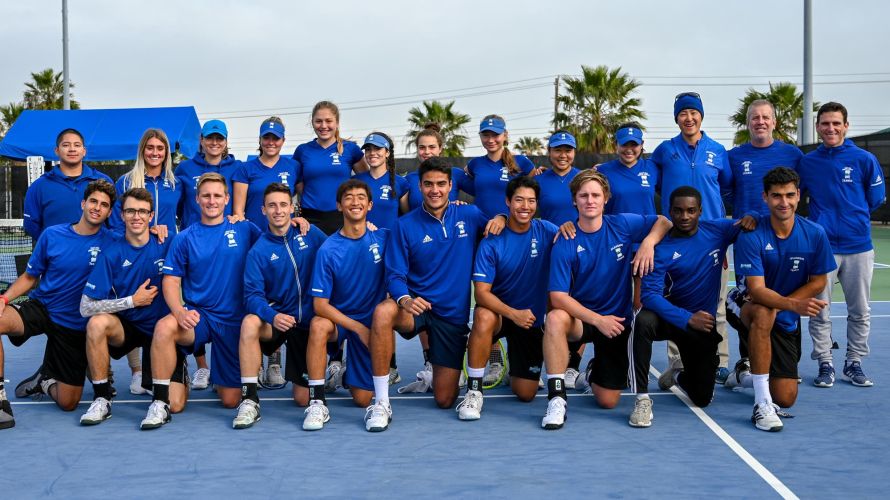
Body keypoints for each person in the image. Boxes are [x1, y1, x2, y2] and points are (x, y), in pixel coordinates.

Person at [364, 157, 505, 432]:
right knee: (383, 312)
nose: (435, 190)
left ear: (451, 186)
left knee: (444, 399)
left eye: (441, 184)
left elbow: (498, 227)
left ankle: (445, 369)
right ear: (420, 187)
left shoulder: (470, 215)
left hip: (450, 317)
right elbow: (394, 275)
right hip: (413, 308)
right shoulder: (404, 226)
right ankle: (381, 401)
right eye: (428, 184)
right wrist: (405, 299)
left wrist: (502, 216)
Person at [542, 170, 671, 430]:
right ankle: (556, 398)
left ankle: (592, 372)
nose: (590, 200)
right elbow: (557, 297)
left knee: (608, 401)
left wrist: (647, 242)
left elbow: (664, 221)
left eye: (595, 195)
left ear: (606, 199)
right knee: (555, 318)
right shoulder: (566, 240)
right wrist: (597, 320)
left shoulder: (621, 225)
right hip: (582, 319)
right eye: (583, 195)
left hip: (616, 320)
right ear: (574, 201)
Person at [140, 173, 261, 430]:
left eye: (218, 195)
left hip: (234, 322)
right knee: (164, 327)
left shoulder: (244, 228)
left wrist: (297, 222)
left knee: (230, 400)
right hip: (199, 317)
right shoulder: (184, 237)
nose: (212, 200)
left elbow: (275, 240)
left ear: (227, 199)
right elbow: (171, 281)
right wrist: (179, 311)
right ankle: (160, 401)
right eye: (206, 195)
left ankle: (220, 374)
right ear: (197, 199)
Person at [629, 186, 754, 428]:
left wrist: (753, 217)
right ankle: (642, 398)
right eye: (678, 211)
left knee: (702, 398)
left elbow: (747, 223)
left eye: (691, 211)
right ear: (670, 212)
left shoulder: (718, 230)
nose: (684, 216)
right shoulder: (661, 247)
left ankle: (676, 374)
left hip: (701, 323)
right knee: (642, 320)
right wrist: (687, 318)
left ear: (700, 211)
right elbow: (650, 296)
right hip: (671, 318)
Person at [0, 180, 117, 429]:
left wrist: (157, 230)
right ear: (83, 203)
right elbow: (30, 277)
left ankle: (45, 379)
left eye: (104, 205)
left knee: (68, 403)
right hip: (42, 308)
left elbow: (141, 241)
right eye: (94, 201)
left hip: (75, 325)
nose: (97, 207)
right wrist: (4, 298)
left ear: (109, 212)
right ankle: (0, 399)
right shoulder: (52, 235)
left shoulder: (114, 242)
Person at [726, 167, 835, 432]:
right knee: (764, 312)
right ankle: (761, 405)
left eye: (789, 195)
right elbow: (757, 290)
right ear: (765, 197)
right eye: (776, 196)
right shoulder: (751, 234)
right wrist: (793, 305)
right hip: (744, 303)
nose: (783, 202)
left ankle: (744, 374)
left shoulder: (815, 233)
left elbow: (819, 280)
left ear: (799, 196)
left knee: (785, 397)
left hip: (784, 313)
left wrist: (788, 306)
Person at [798, 102, 886, 388]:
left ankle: (854, 362)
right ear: (818, 127)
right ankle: (825, 363)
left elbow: (875, 199)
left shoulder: (864, 159)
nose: (831, 128)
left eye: (836, 123)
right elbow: (798, 198)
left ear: (846, 126)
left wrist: (853, 219)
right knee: (819, 309)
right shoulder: (808, 162)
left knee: (860, 309)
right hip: (822, 249)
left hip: (858, 246)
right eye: (825, 123)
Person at [456, 176, 558, 420]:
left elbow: (575, 239)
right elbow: (481, 293)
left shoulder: (547, 231)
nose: (525, 206)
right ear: (508, 202)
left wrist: (568, 226)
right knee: (482, 315)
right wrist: (513, 313)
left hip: (531, 320)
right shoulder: (492, 239)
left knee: (525, 394)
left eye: (531, 201)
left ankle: (515, 364)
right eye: (519, 200)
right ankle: (474, 390)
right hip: (501, 315)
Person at [650, 92, 734, 383]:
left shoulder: (718, 150)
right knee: (677, 302)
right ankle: (678, 363)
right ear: (676, 118)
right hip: (675, 240)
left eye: (693, 113)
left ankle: (720, 361)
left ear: (701, 116)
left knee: (717, 302)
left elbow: (725, 187)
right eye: (683, 113)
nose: (689, 118)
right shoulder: (664, 151)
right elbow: (652, 182)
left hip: (711, 240)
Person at [232, 183, 326, 429]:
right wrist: (272, 316)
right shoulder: (258, 250)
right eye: (272, 205)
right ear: (263, 210)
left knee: (301, 399)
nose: (278, 210)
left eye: (284, 205)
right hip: (277, 321)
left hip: (307, 324)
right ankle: (250, 400)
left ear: (293, 208)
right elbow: (251, 296)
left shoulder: (310, 233)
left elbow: (338, 249)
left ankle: (328, 366)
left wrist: (368, 228)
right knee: (250, 322)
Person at [78, 187, 173, 425]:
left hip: (162, 331)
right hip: (128, 327)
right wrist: (132, 301)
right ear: (122, 215)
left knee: (178, 403)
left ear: (152, 216)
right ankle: (102, 399)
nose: (137, 216)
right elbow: (85, 307)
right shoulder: (112, 253)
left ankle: (162, 400)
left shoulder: (168, 242)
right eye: (131, 211)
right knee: (96, 323)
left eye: (142, 211)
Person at [302, 179, 390, 430]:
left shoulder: (383, 238)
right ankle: (317, 401)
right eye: (349, 197)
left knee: (362, 400)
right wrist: (357, 328)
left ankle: (346, 374)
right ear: (339, 206)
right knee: (318, 325)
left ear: (370, 205)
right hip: (338, 320)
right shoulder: (328, 249)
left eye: (361, 197)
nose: (355, 201)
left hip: (370, 319)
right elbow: (320, 305)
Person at [109, 128, 182, 395]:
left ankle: (159, 373)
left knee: (163, 311)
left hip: (167, 257)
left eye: (159, 148)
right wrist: (142, 231)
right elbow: (116, 226)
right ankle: (137, 372)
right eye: (150, 148)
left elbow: (184, 219)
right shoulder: (126, 182)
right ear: (142, 150)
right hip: (134, 254)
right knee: (135, 309)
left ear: (166, 152)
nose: (154, 152)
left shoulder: (176, 183)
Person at [173, 119, 240, 389]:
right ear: (201, 140)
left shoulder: (238, 168)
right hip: (194, 245)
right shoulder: (185, 168)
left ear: (225, 142)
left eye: (219, 138)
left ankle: (244, 365)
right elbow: (177, 206)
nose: (215, 143)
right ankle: (201, 367)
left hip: (224, 238)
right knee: (194, 303)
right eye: (210, 138)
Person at [23, 128, 113, 240]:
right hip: (56, 255)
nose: (72, 149)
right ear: (57, 150)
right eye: (66, 145)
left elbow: (114, 221)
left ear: (84, 151)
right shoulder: (39, 186)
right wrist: (53, 245)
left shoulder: (103, 181)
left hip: (97, 253)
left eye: (77, 145)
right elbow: (31, 225)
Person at [292, 101, 367, 236]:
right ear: (312, 123)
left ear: (337, 123)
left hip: (342, 217)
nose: (323, 126)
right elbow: (298, 184)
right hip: (310, 219)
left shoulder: (350, 149)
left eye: (328, 121)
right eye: (318, 121)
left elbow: (366, 181)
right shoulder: (302, 150)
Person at [727, 99, 803, 218]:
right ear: (748, 123)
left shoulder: (793, 154)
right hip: (745, 230)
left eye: (765, 117)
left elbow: (800, 192)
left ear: (774, 123)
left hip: (782, 230)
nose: (760, 122)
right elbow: (726, 193)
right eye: (755, 118)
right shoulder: (732, 157)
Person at [232, 117, 299, 226]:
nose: (271, 142)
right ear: (260, 139)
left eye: (276, 138)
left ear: (283, 140)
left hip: (284, 234)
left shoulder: (294, 166)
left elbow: (301, 201)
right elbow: (238, 212)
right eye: (266, 137)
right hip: (255, 235)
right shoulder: (245, 169)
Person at [465, 115, 536, 219]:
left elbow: (533, 184)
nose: (490, 140)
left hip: (509, 227)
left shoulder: (521, 162)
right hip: (479, 228)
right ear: (480, 136)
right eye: (486, 135)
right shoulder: (475, 163)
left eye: (495, 135)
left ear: (505, 135)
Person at [402, 124, 473, 212]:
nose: (427, 152)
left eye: (432, 147)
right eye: (422, 147)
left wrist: (463, 208)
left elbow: (486, 192)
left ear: (440, 149)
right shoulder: (408, 180)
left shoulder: (454, 174)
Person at [354, 132, 408, 231]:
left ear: (387, 152)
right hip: (361, 242)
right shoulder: (355, 182)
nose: (372, 153)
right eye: (368, 149)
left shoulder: (401, 183)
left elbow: (407, 218)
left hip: (390, 242)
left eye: (377, 148)